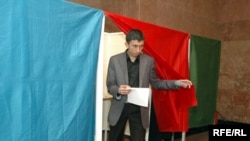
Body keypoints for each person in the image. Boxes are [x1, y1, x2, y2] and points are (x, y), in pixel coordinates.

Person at [106, 29, 192, 141]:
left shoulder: (148, 61)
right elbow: (110, 85)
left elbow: (156, 83)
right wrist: (118, 90)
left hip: (139, 109)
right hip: (119, 107)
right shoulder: (114, 60)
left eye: (141, 46)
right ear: (126, 44)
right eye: (135, 46)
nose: (138, 50)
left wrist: (176, 82)